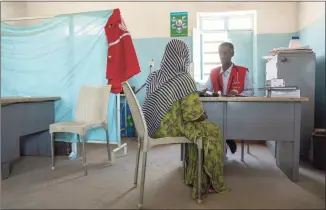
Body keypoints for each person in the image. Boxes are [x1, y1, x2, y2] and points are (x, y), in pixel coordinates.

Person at [142, 39, 226, 199]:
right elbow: (191, 115)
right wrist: (203, 115)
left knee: (197, 129)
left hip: (151, 127)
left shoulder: (154, 76)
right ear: (183, 57)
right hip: (170, 129)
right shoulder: (184, 79)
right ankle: (207, 182)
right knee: (212, 130)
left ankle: (194, 177)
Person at [204, 42, 254, 154]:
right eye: (220, 53)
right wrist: (207, 92)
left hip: (237, 108)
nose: (222, 56)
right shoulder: (214, 72)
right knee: (212, 117)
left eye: (225, 53)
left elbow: (250, 91)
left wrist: (237, 94)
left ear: (232, 54)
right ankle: (226, 139)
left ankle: (228, 138)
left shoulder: (242, 72)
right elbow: (207, 89)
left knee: (224, 120)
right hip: (218, 109)